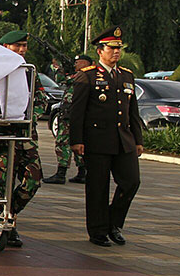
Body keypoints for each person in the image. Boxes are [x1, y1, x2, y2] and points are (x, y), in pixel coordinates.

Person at [68, 26, 143, 247]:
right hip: (97, 141)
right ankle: (98, 230)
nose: (116, 52)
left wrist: (138, 140)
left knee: (131, 182)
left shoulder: (127, 75)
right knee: (98, 188)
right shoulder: (88, 76)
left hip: (123, 140)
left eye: (119, 48)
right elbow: (77, 112)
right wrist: (76, 140)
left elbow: (133, 112)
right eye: (111, 48)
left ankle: (114, 223)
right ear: (100, 51)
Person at [0, 30, 44, 249]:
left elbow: (39, 98)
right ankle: (5, 225)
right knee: (3, 184)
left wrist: (30, 116)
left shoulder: (29, 71)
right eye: (16, 46)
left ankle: (8, 215)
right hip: (3, 135)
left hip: (26, 135)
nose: (21, 50)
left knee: (33, 180)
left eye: (24, 46)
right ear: (5, 47)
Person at [42, 53, 91, 184]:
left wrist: (58, 68)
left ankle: (61, 173)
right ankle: (82, 172)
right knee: (77, 143)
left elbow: (62, 79)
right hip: (71, 114)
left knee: (63, 143)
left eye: (78, 62)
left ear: (86, 63)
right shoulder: (85, 76)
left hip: (72, 115)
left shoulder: (84, 75)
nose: (76, 64)